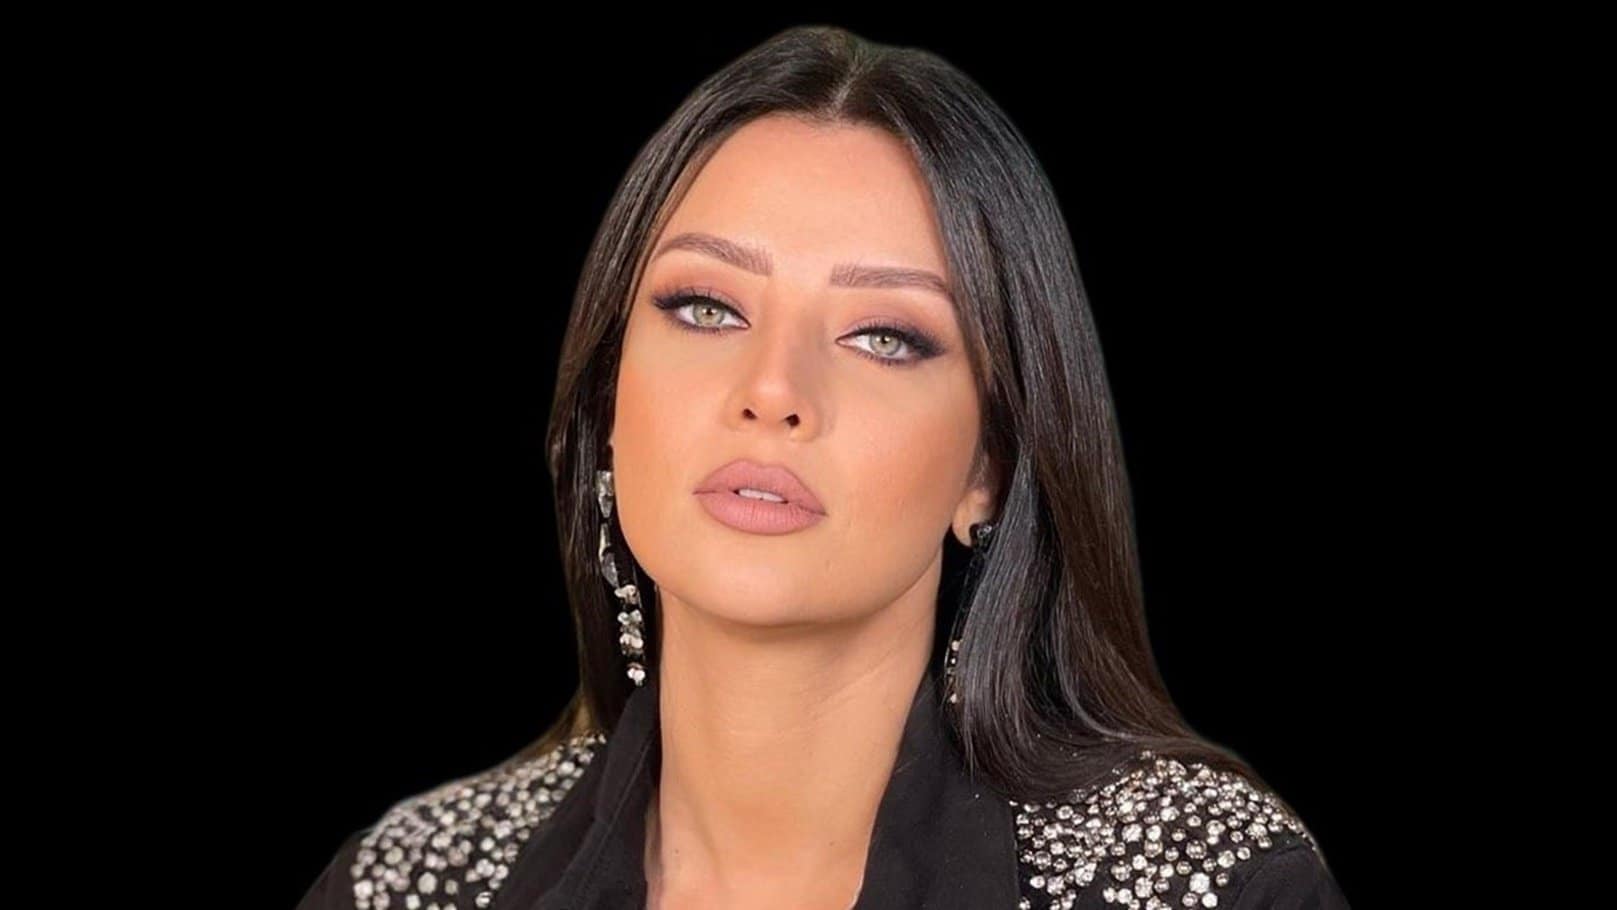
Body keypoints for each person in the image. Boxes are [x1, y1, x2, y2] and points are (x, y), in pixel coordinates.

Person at [298, 25, 1350, 910]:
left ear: (988, 465)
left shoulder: (1208, 884)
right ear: (609, 397)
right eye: (706, 308)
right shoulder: (407, 884)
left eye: (883, 336)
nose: (772, 390)